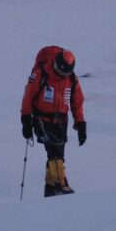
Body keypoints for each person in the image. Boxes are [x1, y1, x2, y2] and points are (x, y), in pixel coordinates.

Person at [21, 48, 86, 197]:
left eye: (65, 73)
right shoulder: (41, 74)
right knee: (54, 151)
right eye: (60, 71)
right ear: (56, 63)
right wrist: (26, 121)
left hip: (61, 122)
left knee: (58, 155)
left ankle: (50, 187)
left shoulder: (71, 79)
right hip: (41, 120)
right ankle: (60, 185)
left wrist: (81, 123)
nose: (62, 76)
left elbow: (77, 102)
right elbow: (28, 97)